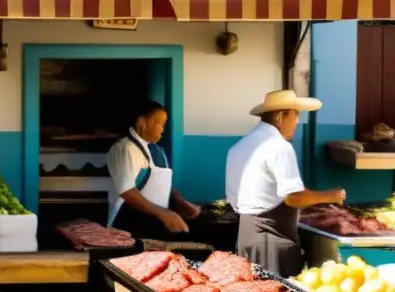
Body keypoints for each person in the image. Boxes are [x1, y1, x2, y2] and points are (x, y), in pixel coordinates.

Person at [226, 90, 346, 276]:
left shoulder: (239, 147)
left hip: (245, 238)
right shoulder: (278, 147)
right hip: (272, 243)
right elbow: (293, 197)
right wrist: (330, 196)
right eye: (295, 115)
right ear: (281, 116)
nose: (297, 122)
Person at [107, 100, 200, 239]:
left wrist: (181, 202)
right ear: (142, 123)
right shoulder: (125, 148)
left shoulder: (156, 150)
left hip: (152, 223)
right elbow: (127, 192)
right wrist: (163, 214)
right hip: (128, 226)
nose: (162, 128)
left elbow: (162, 182)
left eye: (163, 124)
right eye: (158, 123)